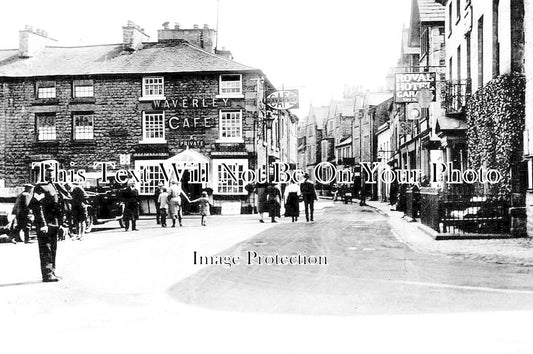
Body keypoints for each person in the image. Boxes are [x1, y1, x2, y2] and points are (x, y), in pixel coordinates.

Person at [29, 166, 68, 282]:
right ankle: (47, 274)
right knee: (46, 248)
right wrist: (43, 224)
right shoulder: (40, 187)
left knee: (53, 248)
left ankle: (52, 271)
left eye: (52, 172)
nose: (50, 174)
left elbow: (60, 204)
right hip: (46, 223)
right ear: (42, 173)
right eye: (47, 172)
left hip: (54, 222)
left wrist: (61, 223)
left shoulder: (54, 186)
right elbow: (38, 207)